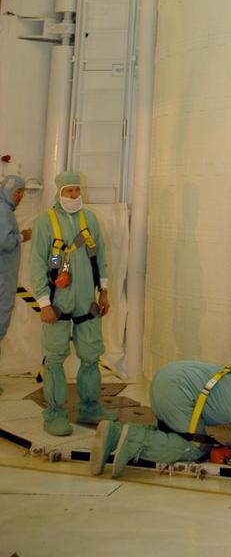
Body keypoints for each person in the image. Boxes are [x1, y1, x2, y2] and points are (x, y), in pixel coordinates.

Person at [30, 170, 114, 436]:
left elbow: (100, 257)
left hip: (86, 301)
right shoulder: (45, 222)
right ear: (59, 193)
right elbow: (37, 264)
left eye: (77, 190)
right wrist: (44, 303)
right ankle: (54, 413)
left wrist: (104, 291)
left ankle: (90, 406)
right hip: (57, 302)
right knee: (55, 358)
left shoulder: (90, 219)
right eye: (69, 191)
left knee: (90, 355)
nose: (74, 195)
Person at [90, 355, 231, 478]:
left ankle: (116, 432)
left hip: (167, 379)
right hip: (175, 391)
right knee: (196, 447)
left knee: (176, 434)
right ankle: (133, 439)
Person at [0, 173, 31, 388]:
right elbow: (4, 242)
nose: (20, 197)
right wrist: (22, 236)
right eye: (18, 192)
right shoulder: (3, 211)